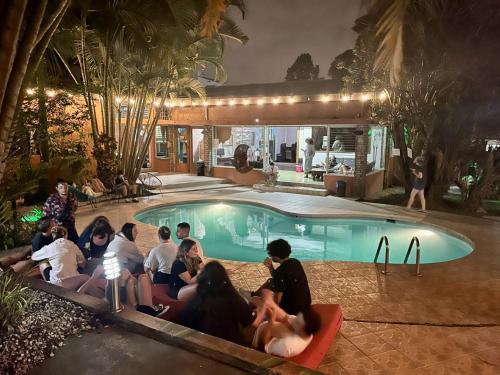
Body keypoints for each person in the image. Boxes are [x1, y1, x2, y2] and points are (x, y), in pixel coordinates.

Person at [179, 261, 267, 346]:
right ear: (225, 279)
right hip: (229, 348)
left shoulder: (194, 302)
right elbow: (254, 322)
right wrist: (265, 303)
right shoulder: (233, 299)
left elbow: (183, 323)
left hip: (200, 348)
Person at [31, 226, 103, 297]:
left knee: (43, 264)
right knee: (84, 276)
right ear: (66, 235)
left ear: (53, 237)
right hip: (72, 281)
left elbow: (34, 257)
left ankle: (48, 283)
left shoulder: (48, 248)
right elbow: (83, 263)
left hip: (56, 284)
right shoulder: (72, 245)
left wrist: (50, 257)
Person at [252, 290, 321, 358]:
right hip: (263, 324)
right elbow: (285, 317)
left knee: (245, 306)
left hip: (253, 334)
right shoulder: (304, 328)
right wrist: (269, 303)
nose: (293, 320)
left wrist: (271, 321)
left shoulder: (288, 345)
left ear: (303, 332)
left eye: (297, 322)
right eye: (296, 317)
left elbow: (262, 345)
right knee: (258, 301)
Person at [260, 239, 311, 315]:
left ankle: (252, 296)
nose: (270, 256)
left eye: (271, 254)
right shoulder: (295, 262)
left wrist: (266, 300)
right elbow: (280, 277)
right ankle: (252, 294)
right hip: (305, 305)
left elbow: (277, 300)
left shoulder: (280, 272)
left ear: (276, 256)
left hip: (292, 311)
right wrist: (270, 267)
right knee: (271, 281)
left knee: (261, 297)